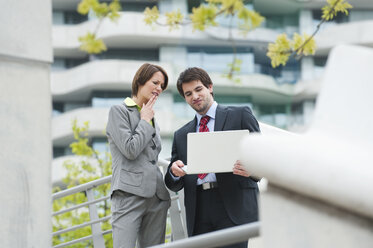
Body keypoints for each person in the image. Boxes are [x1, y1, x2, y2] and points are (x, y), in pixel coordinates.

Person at [164, 67, 260, 248]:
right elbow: (172, 181)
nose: (194, 96)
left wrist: (253, 168)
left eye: (198, 89)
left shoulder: (240, 115)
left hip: (233, 204)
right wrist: (174, 173)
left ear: (210, 87)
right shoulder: (181, 134)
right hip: (199, 209)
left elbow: (262, 155)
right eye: (188, 93)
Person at [106, 63, 171, 248]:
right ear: (140, 81)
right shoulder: (118, 111)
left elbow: (152, 157)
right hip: (128, 194)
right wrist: (144, 120)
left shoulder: (152, 119)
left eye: (162, 86)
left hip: (157, 197)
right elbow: (130, 149)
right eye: (155, 82)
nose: (159, 88)